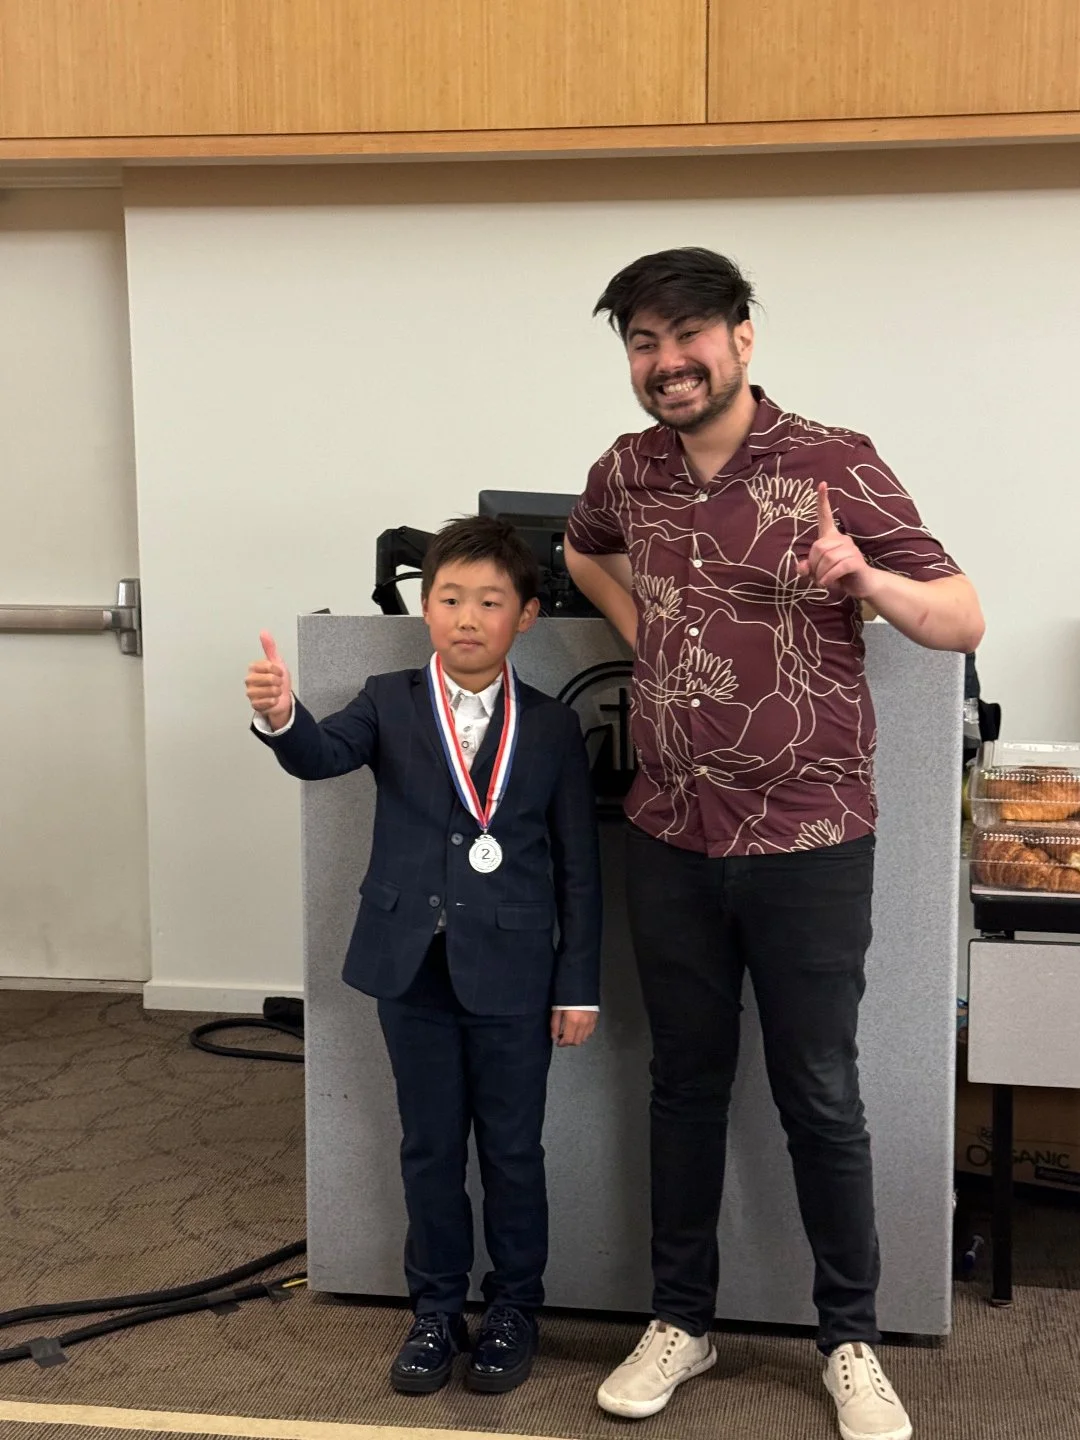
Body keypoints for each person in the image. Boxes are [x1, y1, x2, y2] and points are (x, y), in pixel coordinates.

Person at [564, 247, 984, 1440]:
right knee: (684, 1084)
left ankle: (849, 1340)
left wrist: (869, 578)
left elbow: (961, 613)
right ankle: (681, 1321)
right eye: (641, 342)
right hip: (670, 830)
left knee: (818, 1091)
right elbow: (586, 546)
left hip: (808, 834)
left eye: (685, 335)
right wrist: (642, 626)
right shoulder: (626, 470)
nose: (664, 362)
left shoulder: (835, 461)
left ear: (743, 338)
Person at [246, 515, 601, 1397]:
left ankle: (515, 1305)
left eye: (489, 601)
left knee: (515, 1150)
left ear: (525, 616)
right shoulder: (389, 698)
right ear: (424, 606)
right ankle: (437, 1309)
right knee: (429, 1146)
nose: (466, 617)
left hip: (517, 972)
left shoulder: (552, 728)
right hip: (413, 966)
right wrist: (281, 716)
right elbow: (321, 756)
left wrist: (579, 985)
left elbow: (580, 873)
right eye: (448, 598)